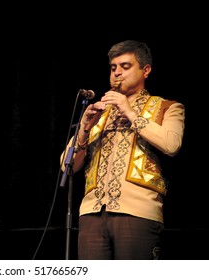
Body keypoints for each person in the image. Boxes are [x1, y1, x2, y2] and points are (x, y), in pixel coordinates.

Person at [60, 40, 185, 259]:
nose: (117, 73)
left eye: (125, 67)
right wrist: (84, 129)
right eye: (113, 68)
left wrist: (130, 112)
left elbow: (171, 145)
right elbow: (66, 166)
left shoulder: (168, 107)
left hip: (138, 213)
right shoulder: (99, 113)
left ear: (145, 70)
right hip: (91, 213)